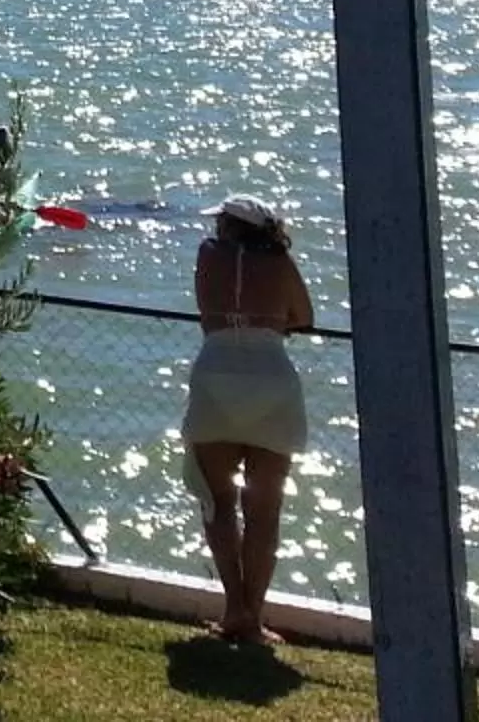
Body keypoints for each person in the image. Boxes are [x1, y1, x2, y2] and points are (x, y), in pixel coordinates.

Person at [183, 194, 314, 644]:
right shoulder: (280, 262)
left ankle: (233, 607)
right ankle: (252, 617)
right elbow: (305, 317)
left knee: (218, 504)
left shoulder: (207, 256)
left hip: (216, 374)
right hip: (271, 380)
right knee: (264, 510)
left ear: (231, 226)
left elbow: (207, 312)